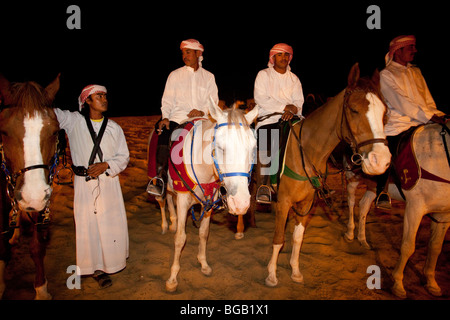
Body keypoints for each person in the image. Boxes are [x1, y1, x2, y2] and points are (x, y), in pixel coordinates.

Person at [54, 84, 130, 288]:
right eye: (99, 96)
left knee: (110, 224)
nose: (104, 99)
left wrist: (107, 165)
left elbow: (124, 157)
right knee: (88, 225)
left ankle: (112, 263)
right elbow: (50, 113)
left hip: (109, 182)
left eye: (105, 95)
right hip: (84, 184)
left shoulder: (114, 127)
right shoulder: (74, 121)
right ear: (87, 101)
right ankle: (94, 268)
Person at [376, 35, 448, 209]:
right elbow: (401, 102)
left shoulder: (416, 72)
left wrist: (439, 115)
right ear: (398, 51)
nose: (415, 51)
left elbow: (428, 100)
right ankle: (382, 191)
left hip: (424, 121)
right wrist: (428, 117)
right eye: (411, 47)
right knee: (389, 149)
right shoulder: (386, 74)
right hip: (399, 124)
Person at [147, 39, 219, 196]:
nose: (184, 56)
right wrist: (165, 117)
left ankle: (220, 184)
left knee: (219, 140)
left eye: (188, 52)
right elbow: (166, 100)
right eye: (183, 53)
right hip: (178, 118)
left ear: (198, 53)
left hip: (202, 120)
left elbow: (213, 102)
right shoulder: (175, 75)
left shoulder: (209, 77)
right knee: (164, 134)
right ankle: (160, 178)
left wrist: (202, 111)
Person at [253, 43, 304, 203]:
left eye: (286, 55)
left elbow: (299, 101)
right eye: (280, 54)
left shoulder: (294, 79)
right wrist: (284, 108)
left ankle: (312, 178)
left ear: (290, 58)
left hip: (292, 119)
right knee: (269, 141)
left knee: (308, 138)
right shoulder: (263, 75)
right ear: (272, 58)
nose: (283, 57)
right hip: (269, 119)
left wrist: (293, 110)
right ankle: (264, 186)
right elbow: (261, 99)